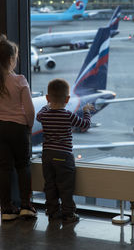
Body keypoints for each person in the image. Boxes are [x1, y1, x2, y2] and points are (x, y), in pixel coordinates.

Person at [0, 34, 37, 221]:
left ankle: (6, 209)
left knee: (3, 168)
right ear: (11, 59)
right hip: (18, 128)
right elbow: (29, 110)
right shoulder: (19, 80)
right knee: (23, 166)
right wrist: (28, 126)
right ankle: (26, 206)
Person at [36, 78, 93, 223]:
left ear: (48, 98)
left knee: (50, 185)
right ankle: (68, 214)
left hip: (47, 156)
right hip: (63, 156)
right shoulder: (68, 115)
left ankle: (53, 212)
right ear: (67, 99)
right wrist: (86, 111)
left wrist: (47, 105)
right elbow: (85, 125)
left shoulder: (44, 115)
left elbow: (38, 115)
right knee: (66, 187)